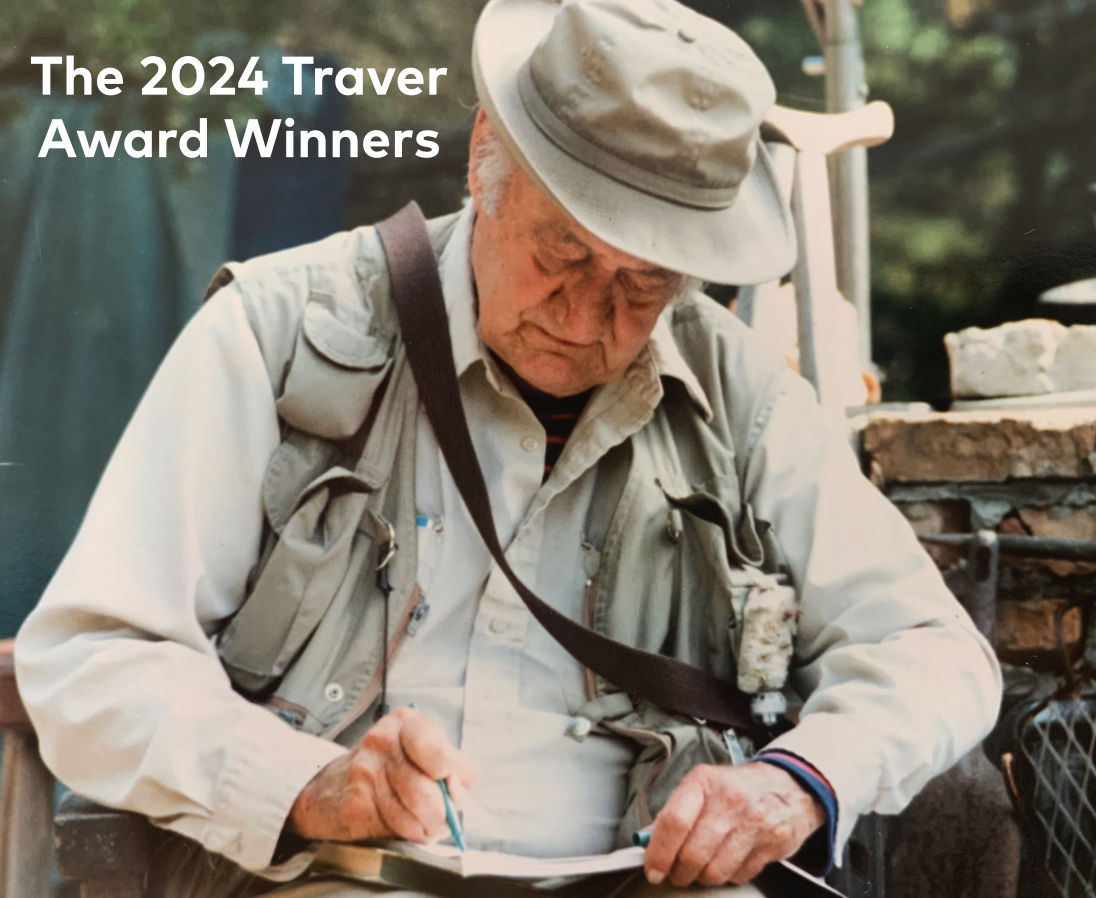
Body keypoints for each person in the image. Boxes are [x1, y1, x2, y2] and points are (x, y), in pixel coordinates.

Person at [14, 1, 1002, 896]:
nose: (584, 317)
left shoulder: (739, 391)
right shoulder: (277, 331)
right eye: (562, 253)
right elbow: (96, 657)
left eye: (640, 284)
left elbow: (932, 653)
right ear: (484, 158)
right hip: (331, 878)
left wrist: (794, 783)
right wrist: (310, 785)